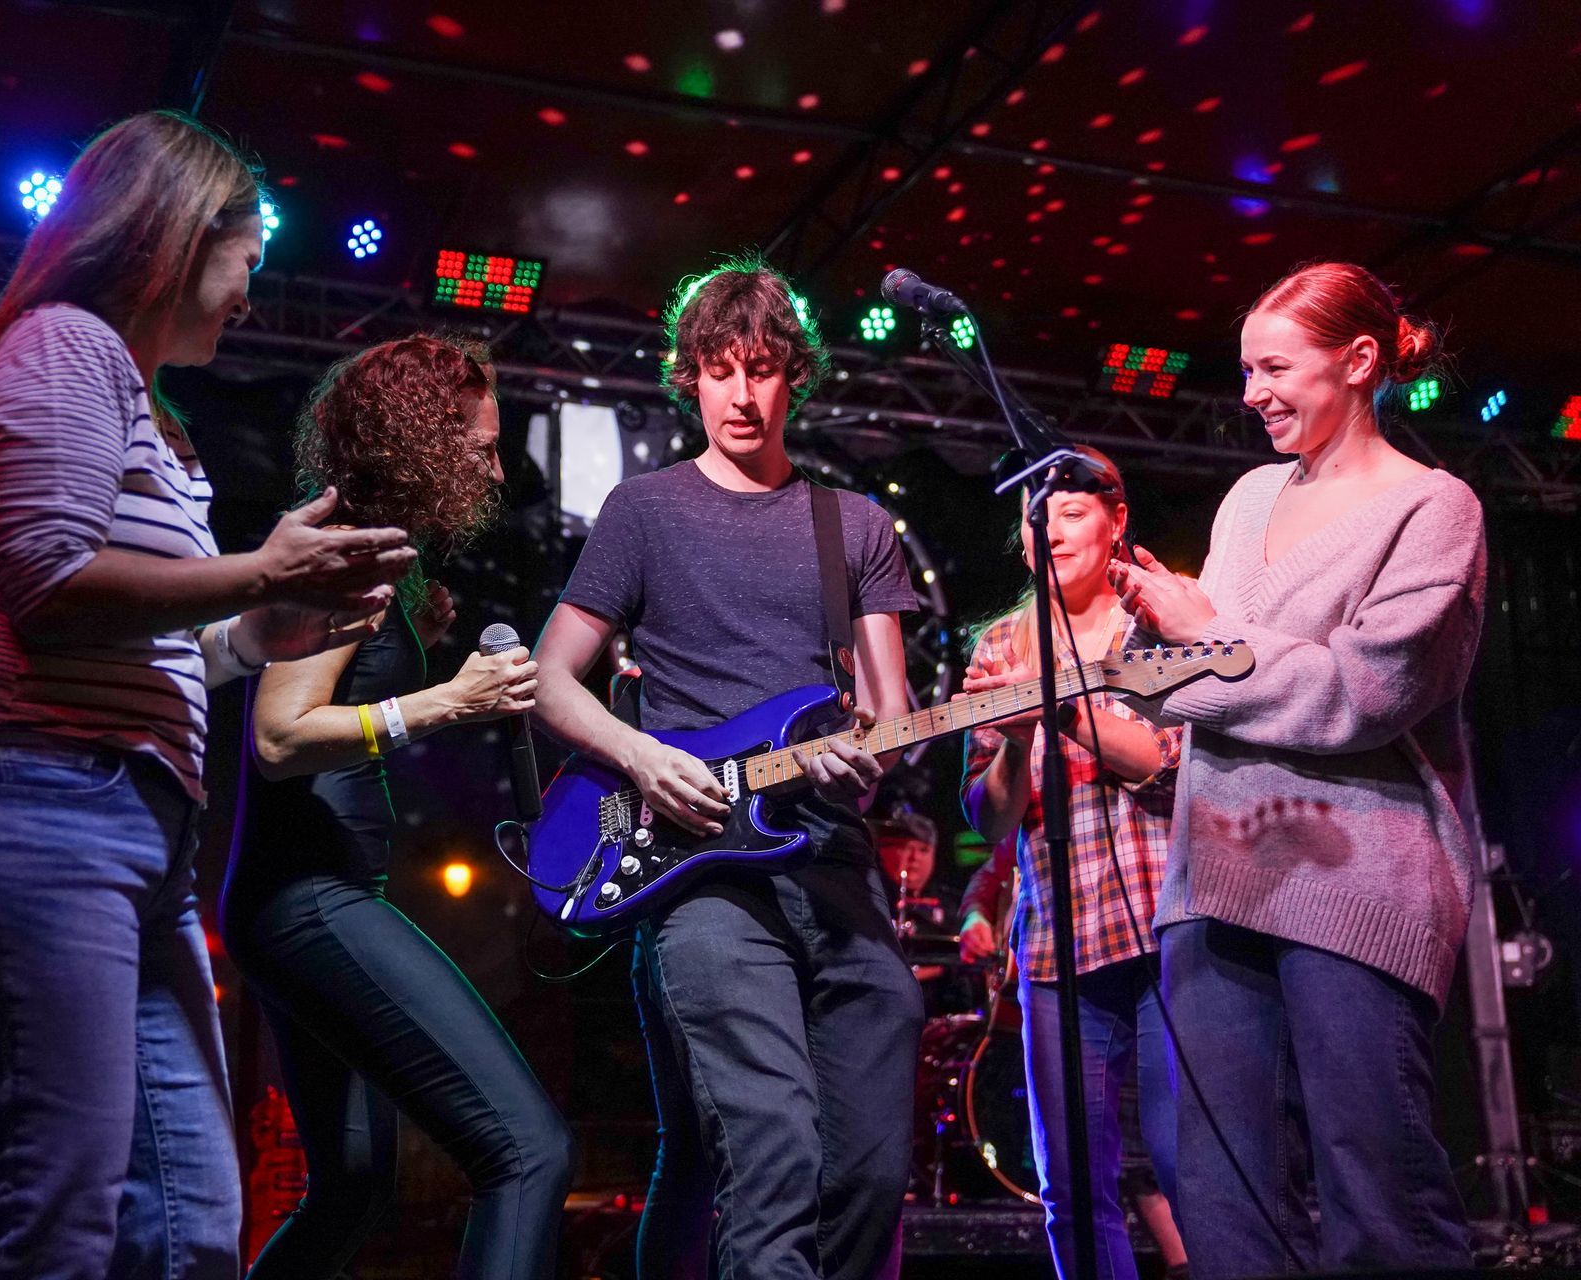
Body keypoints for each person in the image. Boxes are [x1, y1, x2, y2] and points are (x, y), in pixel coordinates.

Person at [0, 110, 414, 1279]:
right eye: (245, 264)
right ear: (176, 234)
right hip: (22, 790)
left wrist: (266, 627)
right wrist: (263, 567)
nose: (251, 299)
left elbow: (151, 640)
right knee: (52, 1216)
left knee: (191, 1225)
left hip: (115, 822)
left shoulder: (149, 412)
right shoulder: (65, 347)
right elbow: (49, 587)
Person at [531, 257, 924, 1280]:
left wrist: (868, 765)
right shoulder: (645, 511)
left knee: (875, 1173)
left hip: (832, 862)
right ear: (690, 376)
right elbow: (551, 678)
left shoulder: (855, 524)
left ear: (795, 375)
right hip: (700, 865)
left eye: (761, 369)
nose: (742, 395)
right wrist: (644, 755)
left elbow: (894, 718)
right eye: (719, 369)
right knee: (772, 1151)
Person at [1109, 260, 1483, 1274]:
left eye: (1276, 366)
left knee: (1380, 1197)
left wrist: (1205, 636)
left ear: (1359, 361)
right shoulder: (1245, 499)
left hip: (1354, 885)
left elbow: (1362, 695)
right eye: (1245, 369)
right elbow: (1196, 678)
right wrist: (1139, 655)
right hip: (1214, 876)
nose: (1251, 392)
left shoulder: (1433, 508)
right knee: (1222, 1201)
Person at [222, 335, 571, 1279]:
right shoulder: (348, 553)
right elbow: (280, 737)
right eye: (479, 450)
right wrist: (443, 698)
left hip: (301, 895)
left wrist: (414, 636)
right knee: (527, 1152)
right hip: (307, 901)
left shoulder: (388, 557)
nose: (498, 472)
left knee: (355, 1183)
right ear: (418, 440)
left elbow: (336, 677)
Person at [953, 445, 1183, 1280]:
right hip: (1058, 952)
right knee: (1072, 1191)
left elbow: (1167, 759)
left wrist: (1063, 710)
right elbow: (987, 816)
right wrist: (1013, 747)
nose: (1051, 530)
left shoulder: (1159, 621)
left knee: (1193, 1167)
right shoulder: (998, 647)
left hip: (1169, 933)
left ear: (1117, 523)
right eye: (1035, 515)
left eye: (1074, 512)